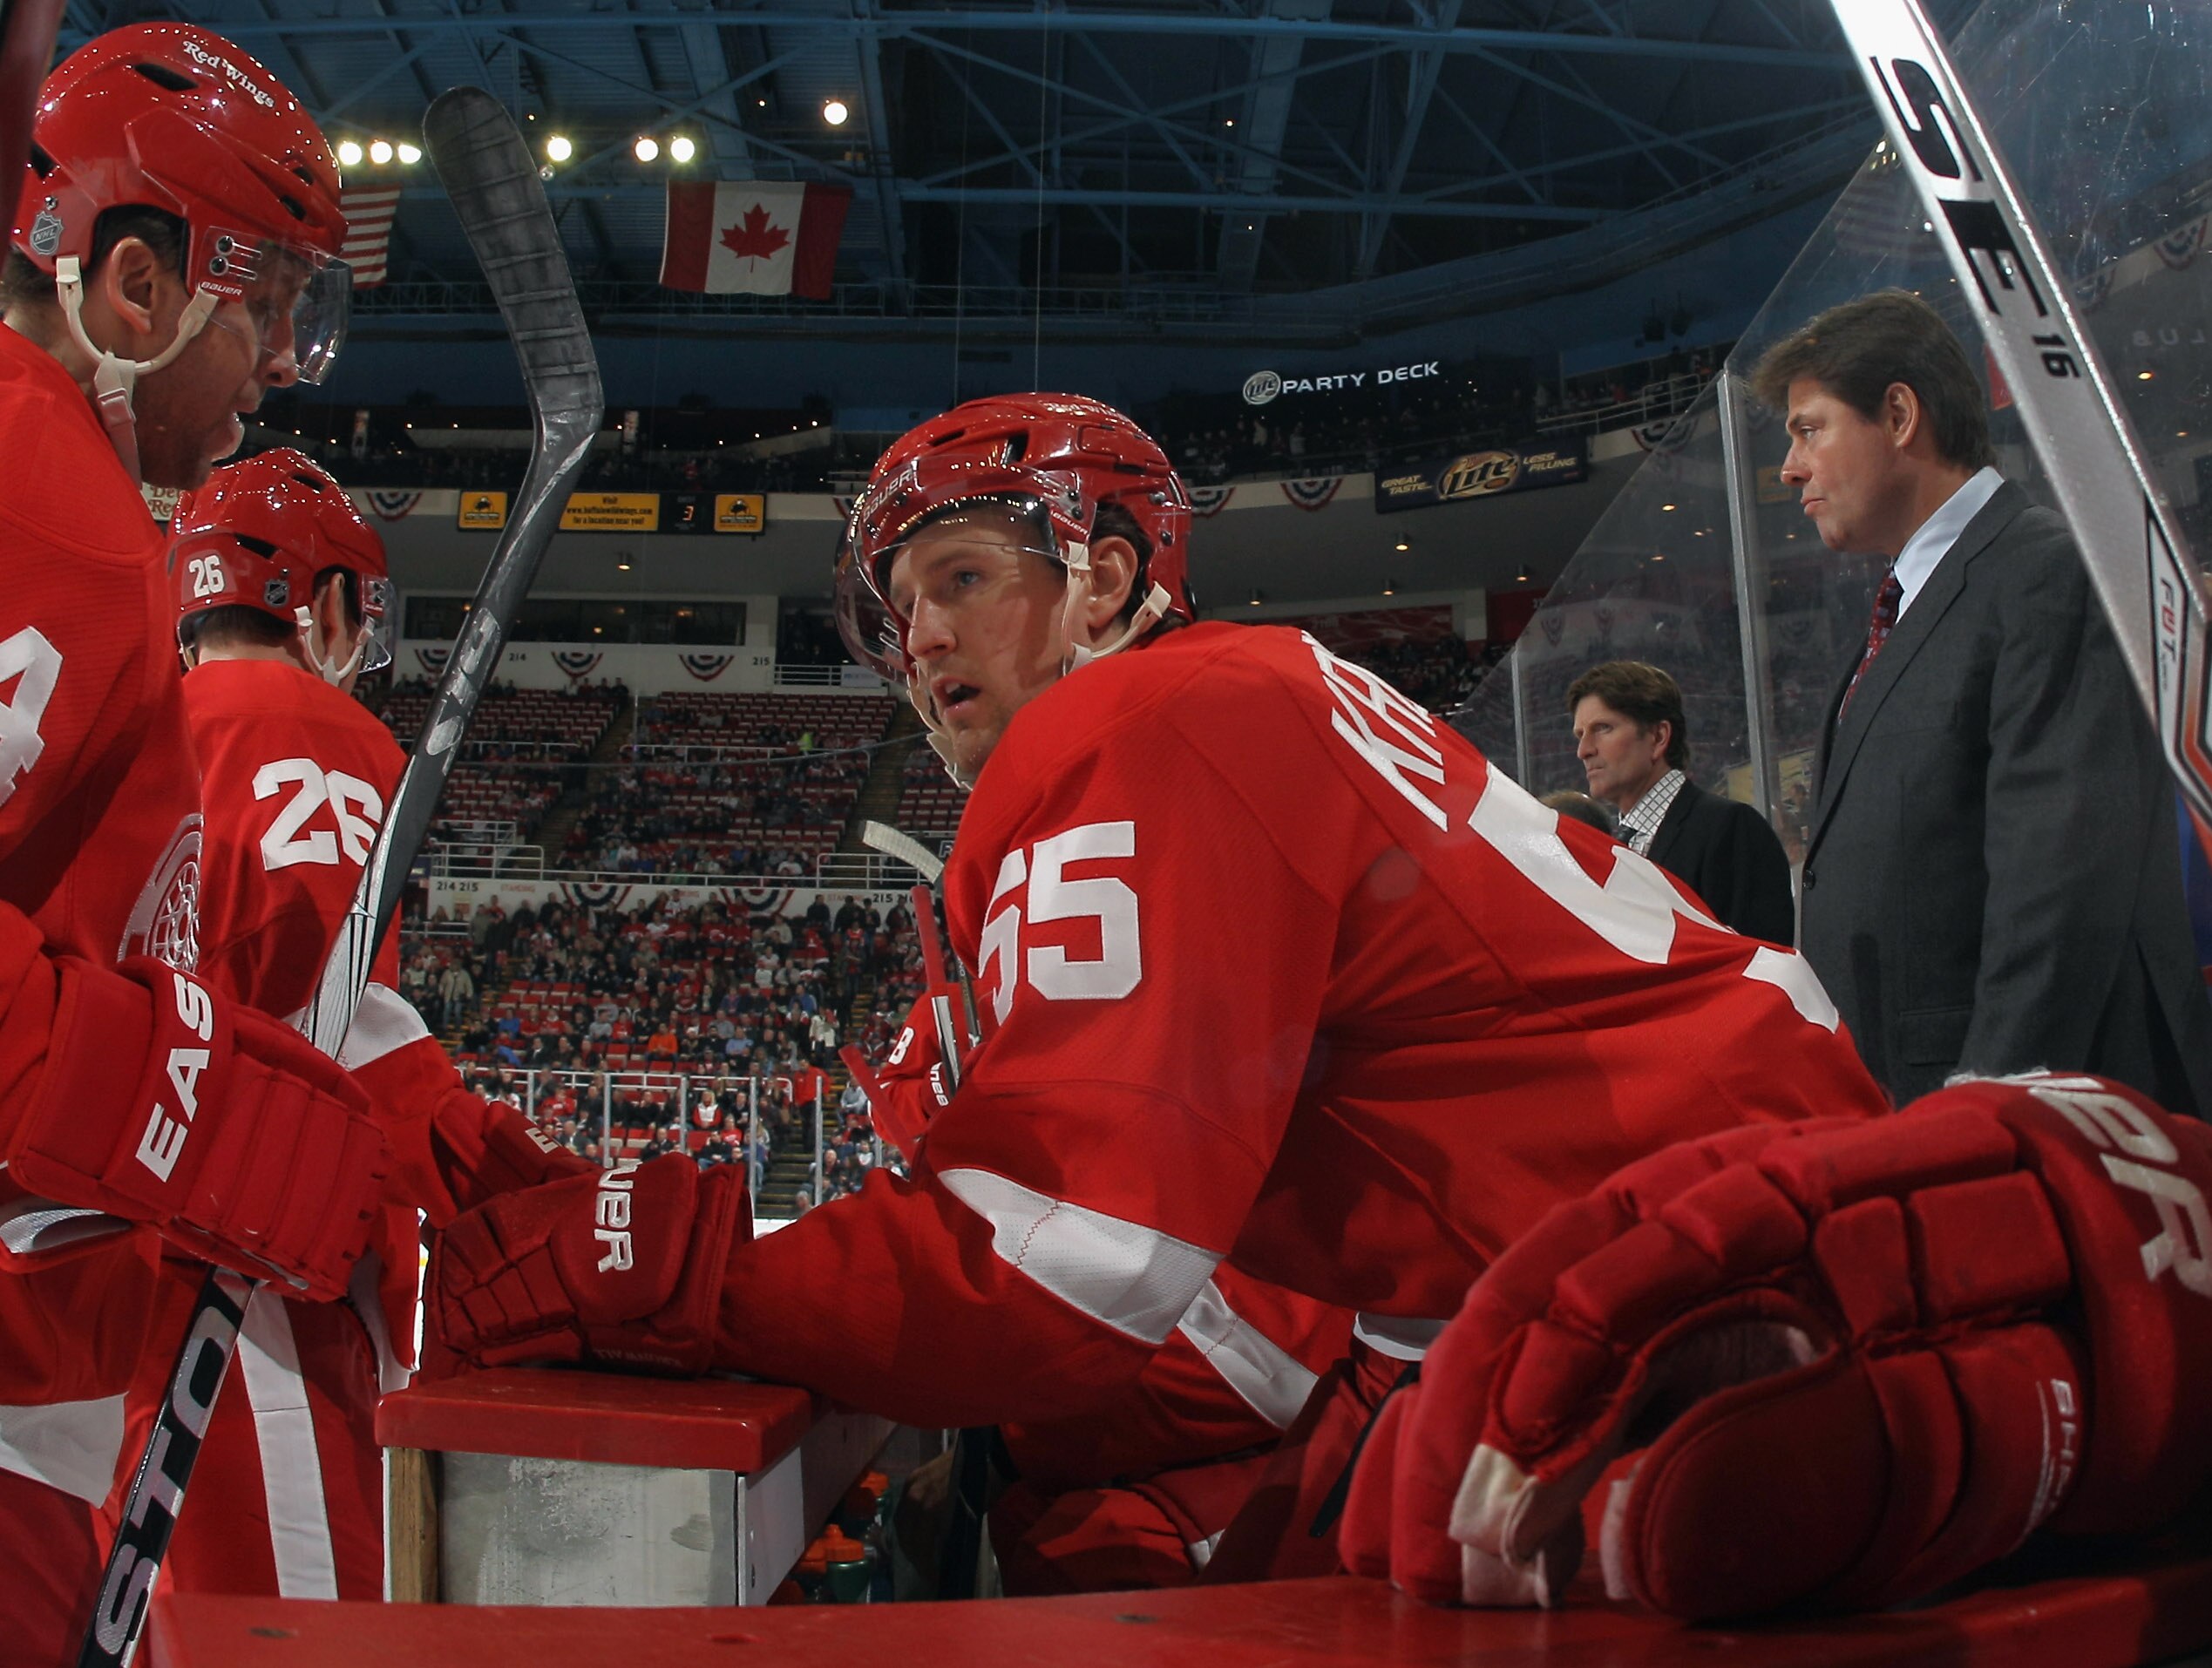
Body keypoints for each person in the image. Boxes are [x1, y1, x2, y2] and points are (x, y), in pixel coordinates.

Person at [426, 394, 1888, 1577]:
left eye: (961, 576)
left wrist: (682, 1263)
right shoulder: (1235, 693)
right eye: (899, 603)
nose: (918, 632)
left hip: (1690, 1280)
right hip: (1613, 1239)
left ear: (1109, 578)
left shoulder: (1145, 725)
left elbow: (1056, 1263)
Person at [0, 29, 389, 1663]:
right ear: (138, 284)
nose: (284, 367)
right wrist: (188, 1109)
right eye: (271, 310)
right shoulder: (40, 490)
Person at [100, 448, 595, 1604]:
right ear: (322, 604)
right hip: (257, 1288)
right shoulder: (311, 730)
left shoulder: (139, 717)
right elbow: (327, 1026)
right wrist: (525, 1190)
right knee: (294, 1614)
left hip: (127, 1254)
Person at [1759, 289, 2212, 1112]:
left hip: (2008, 1123)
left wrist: (1989, 1108)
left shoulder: (2046, 575)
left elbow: (2059, 893)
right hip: (1905, 1101)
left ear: (1898, 415)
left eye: (1808, 428)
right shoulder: (1909, 604)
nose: (1790, 467)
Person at [1567, 661, 1795, 944]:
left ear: (1658, 737)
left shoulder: (1729, 829)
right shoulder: (1613, 847)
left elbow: (1759, 963)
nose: (1584, 750)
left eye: (1602, 728)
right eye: (1580, 735)